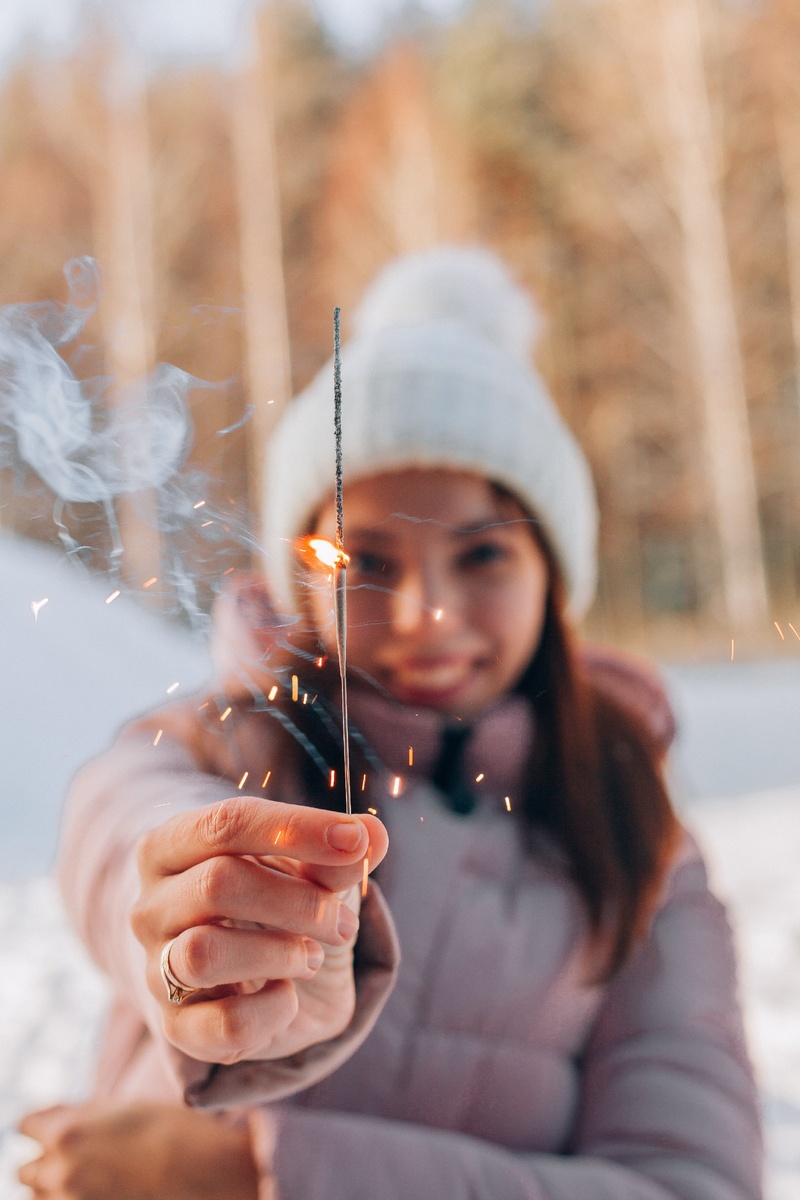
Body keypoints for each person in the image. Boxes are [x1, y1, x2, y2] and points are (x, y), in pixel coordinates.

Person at [19, 247, 762, 1200]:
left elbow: (693, 1184)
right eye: (366, 563)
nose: (428, 618)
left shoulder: (640, 848)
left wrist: (261, 1176)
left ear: (555, 576)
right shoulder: (234, 746)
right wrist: (193, 912)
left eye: (484, 556)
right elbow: (123, 820)